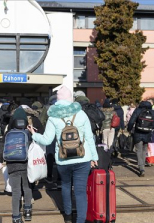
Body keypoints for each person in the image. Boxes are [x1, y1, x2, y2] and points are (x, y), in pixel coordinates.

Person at [28, 86, 98, 223]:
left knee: (65, 187)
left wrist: (34, 135)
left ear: (58, 100)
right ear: (70, 98)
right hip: (83, 158)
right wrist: (94, 157)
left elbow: (47, 140)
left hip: (63, 159)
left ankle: (67, 216)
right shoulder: (81, 114)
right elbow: (90, 138)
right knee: (80, 191)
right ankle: (80, 220)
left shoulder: (52, 116)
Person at [0, 107, 34, 223]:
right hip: (26, 165)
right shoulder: (28, 133)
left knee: (16, 191)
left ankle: (16, 217)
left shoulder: (8, 133)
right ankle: (27, 211)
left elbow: (1, 148)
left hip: (12, 165)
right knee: (27, 188)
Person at [127, 101, 154, 177]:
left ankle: (141, 168)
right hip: (147, 133)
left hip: (138, 132)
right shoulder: (152, 112)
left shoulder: (138, 110)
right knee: (144, 150)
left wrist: (129, 129)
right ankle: (142, 166)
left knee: (138, 150)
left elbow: (131, 121)